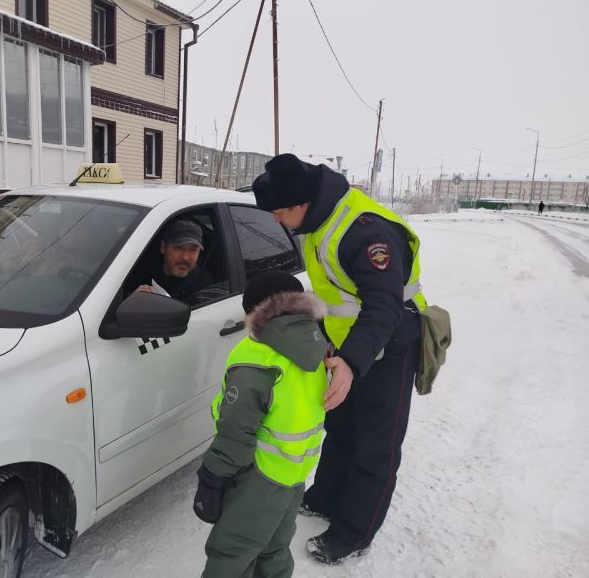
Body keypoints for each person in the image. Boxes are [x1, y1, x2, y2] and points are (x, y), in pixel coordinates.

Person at [252, 153, 428, 564]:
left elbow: (384, 305)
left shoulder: (364, 232)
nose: (277, 221)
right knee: (342, 426)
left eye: (279, 212)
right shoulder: (318, 221)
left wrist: (351, 361)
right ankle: (327, 496)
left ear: (300, 204)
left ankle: (353, 532)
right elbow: (338, 296)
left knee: (376, 444)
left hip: (393, 341)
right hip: (349, 345)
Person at [193, 270, 328, 578]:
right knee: (274, 547)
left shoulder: (256, 359)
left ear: (255, 312)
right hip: (293, 473)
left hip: (259, 477)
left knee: (231, 551)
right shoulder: (314, 344)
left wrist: (214, 474)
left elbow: (236, 432)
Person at [125, 218, 213, 301]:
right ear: (163, 247)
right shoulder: (141, 271)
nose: (185, 257)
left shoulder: (204, 288)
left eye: (193, 250)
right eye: (179, 248)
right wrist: (132, 299)